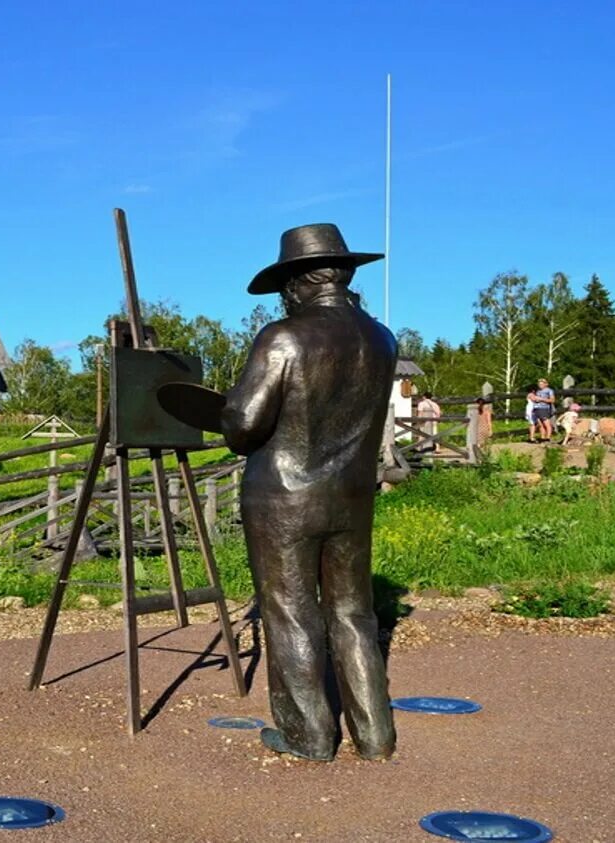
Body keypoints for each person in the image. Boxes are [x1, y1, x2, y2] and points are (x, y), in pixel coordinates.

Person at [176, 223, 397, 762]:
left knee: (291, 611)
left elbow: (246, 425)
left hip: (284, 499)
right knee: (354, 612)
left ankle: (309, 735)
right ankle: (375, 736)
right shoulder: (382, 338)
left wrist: (225, 412)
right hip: (352, 498)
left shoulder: (283, 337)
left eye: (284, 284)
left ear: (298, 281)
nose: (283, 295)